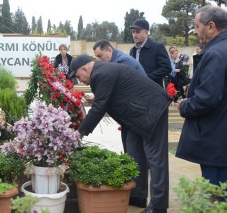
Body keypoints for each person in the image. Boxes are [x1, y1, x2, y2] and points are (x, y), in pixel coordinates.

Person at [70, 54, 171, 213]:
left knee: (155, 159)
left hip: (153, 109)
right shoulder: (101, 72)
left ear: (85, 68)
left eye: (78, 76)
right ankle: (137, 196)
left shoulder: (100, 73)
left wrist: (80, 132)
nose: (79, 80)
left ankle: (158, 206)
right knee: (134, 154)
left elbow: (99, 108)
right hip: (137, 116)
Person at [176, 5, 227, 187]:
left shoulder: (215, 53)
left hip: (218, 145)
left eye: (197, 26)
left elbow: (206, 99)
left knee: (217, 199)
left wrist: (184, 105)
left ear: (211, 26)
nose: (194, 31)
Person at [91, 39, 147, 153]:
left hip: (140, 109)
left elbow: (117, 88)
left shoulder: (123, 62)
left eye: (100, 56)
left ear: (110, 50)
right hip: (131, 110)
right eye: (96, 57)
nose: (98, 60)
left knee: (134, 148)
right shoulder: (113, 62)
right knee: (128, 145)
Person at [129, 19, 171, 87]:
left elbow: (166, 68)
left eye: (137, 32)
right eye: (133, 32)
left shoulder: (157, 47)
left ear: (146, 33)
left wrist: (147, 78)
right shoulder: (132, 50)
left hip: (153, 90)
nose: (135, 35)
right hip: (136, 90)